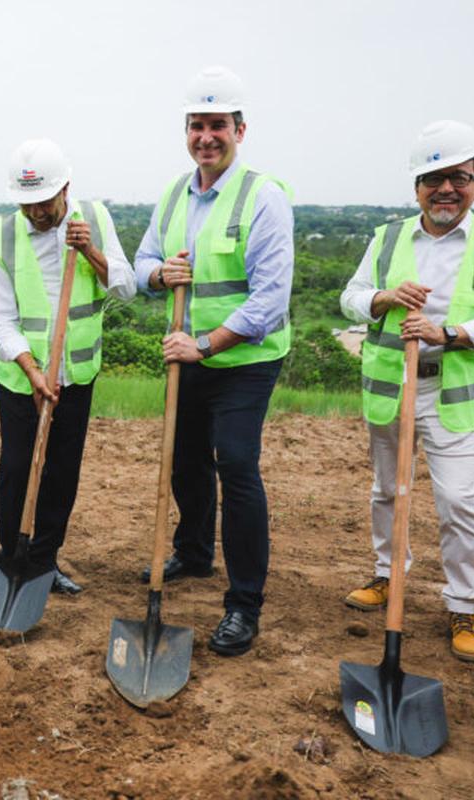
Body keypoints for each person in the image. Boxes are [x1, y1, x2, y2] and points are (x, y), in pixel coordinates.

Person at [339, 120, 474, 663]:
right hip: (389, 387)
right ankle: (386, 574)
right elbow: (351, 296)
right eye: (433, 179)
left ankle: (465, 603)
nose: (446, 189)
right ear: (416, 187)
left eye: (459, 178)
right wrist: (383, 297)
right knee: (386, 491)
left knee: (458, 500)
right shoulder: (388, 237)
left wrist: (448, 334)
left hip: (451, 392)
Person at [134, 66, 293, 656]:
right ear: (187, 132)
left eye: (218, 125)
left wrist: (204, 345)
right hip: (189, 356)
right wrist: (158, 273)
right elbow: (141, 261)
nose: (207, 136)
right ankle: (195, 553)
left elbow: (270, 302)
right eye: (197, 126)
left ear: (240, 130)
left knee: (237, 465)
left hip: (245, 360)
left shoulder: (263, 197)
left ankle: (243, 603)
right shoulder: (176, 193)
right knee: (184, 461)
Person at [0, 139, 135, 594]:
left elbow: (125, 289)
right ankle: (14, 559)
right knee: (16, 468)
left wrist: (91, 251)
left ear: (66, 188)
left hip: (77, 374)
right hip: (19, 377)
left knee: (61, 470)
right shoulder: (3, 235)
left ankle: (46, 561)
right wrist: (31, 371)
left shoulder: (97, 220)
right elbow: (1, 317)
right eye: (26, 204)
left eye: (44, 202)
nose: (36, 213)